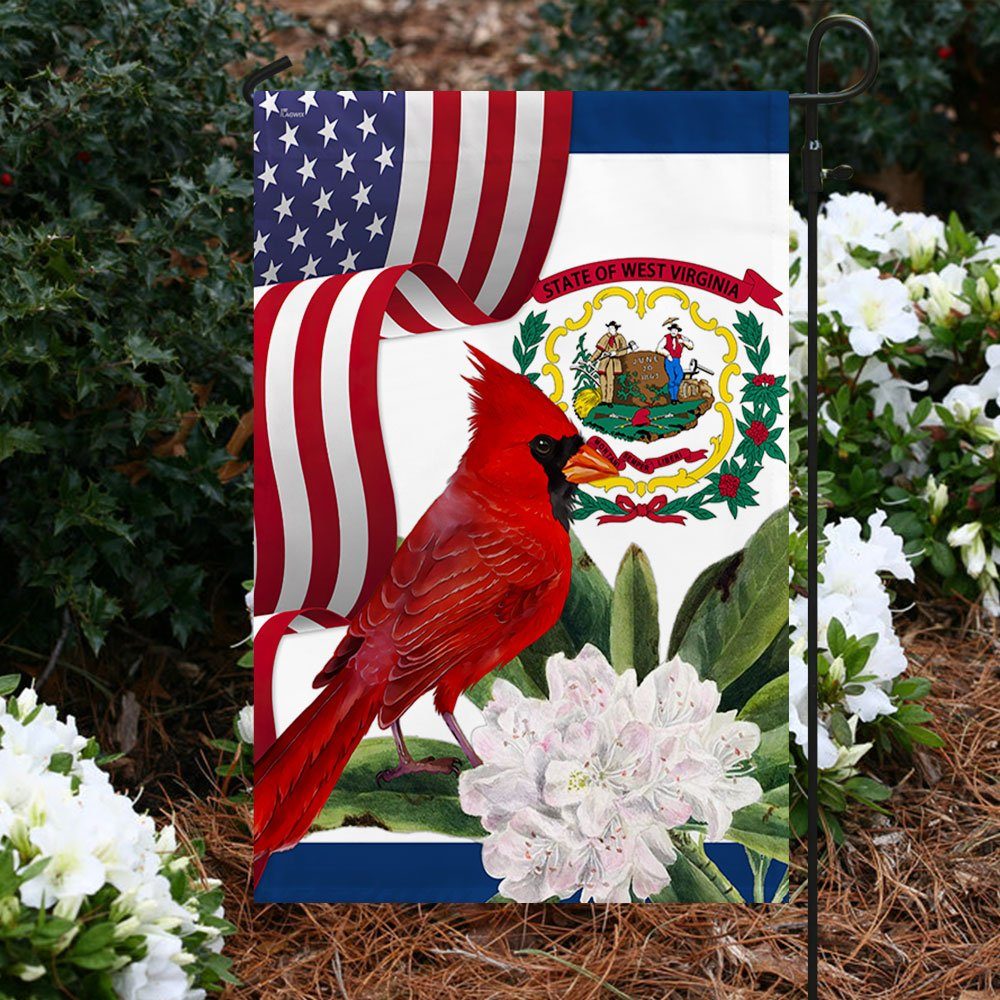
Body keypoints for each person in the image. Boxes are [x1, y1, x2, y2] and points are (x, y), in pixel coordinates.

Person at [588, 320, 628, 405]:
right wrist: (591, 360)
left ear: (615, 329)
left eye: (612, 328)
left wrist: (616, 353)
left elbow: (625, 351)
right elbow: (599, 351)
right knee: (603, 382)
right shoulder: (605, 337)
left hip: (613, 363)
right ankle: (603, 400)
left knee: (610, 382)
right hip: (604, 362)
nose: (610, 329)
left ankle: (609, 400)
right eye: (609, 328)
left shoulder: (620, 338)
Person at [657, 317, 693, 403]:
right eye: (672, 330)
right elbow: (658, 348)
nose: (674, 332)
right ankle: (673, 398)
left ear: (678, 331)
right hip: (669, 361)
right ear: (670, 330)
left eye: (675, 330)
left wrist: (683, 342)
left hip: (677, 361)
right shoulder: (666, 338)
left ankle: (675, 396)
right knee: (672, 378)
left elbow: (691, 345)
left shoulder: (681, 337)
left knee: (679, 376)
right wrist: (667, 354)